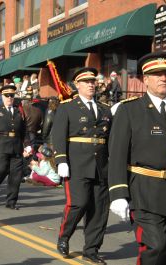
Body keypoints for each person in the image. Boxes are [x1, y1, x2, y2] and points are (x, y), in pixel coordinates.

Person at [108, 51, 166, 265]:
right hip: (145, 191)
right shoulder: (130, 110)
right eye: (157, 74)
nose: (163, 78)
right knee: (155, 247)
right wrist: (118, 193)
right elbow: (117, 153)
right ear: (146, 79)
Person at [52, 67, 112, 264]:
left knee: (99, 209)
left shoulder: (104, 109)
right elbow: (58, 134)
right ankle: (64, 237)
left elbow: (111, 139)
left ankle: (92, 249)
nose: (91, 84)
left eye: (93, 81)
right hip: (77, 163)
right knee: (78, 203)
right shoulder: (67, 107)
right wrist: (61, 160)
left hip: (101, 165)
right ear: (77, 85)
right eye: (86, 81)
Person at [0, 85, 31, 210]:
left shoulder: (19, 111)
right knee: (0, 171)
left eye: (12, 95)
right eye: (7, 95)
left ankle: (11, 202)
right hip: (1, 146)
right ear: (2, 96)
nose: (9, 98)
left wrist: (27, 145)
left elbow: (24, 131)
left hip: (16, 147)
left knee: (16, 176)